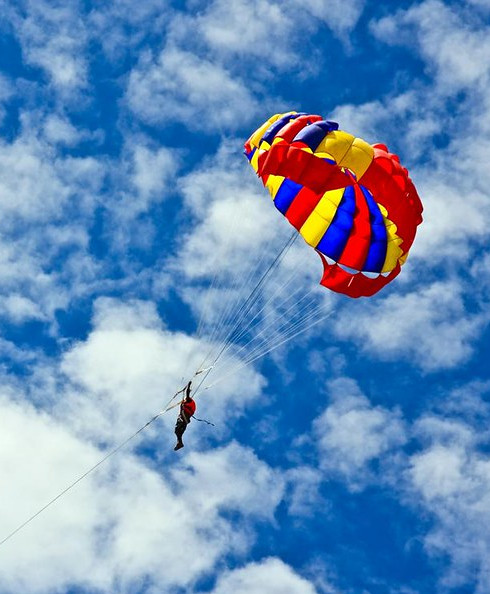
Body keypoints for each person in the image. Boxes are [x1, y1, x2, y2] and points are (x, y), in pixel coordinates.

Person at [174, 380, 196, 451]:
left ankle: (179, 443)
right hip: (185, 419)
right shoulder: (186, 404)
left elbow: (187, 393)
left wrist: (188, 385)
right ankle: (180, 443)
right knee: (178, 432)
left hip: (184, 418)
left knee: (177, 430)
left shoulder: (189, 400)